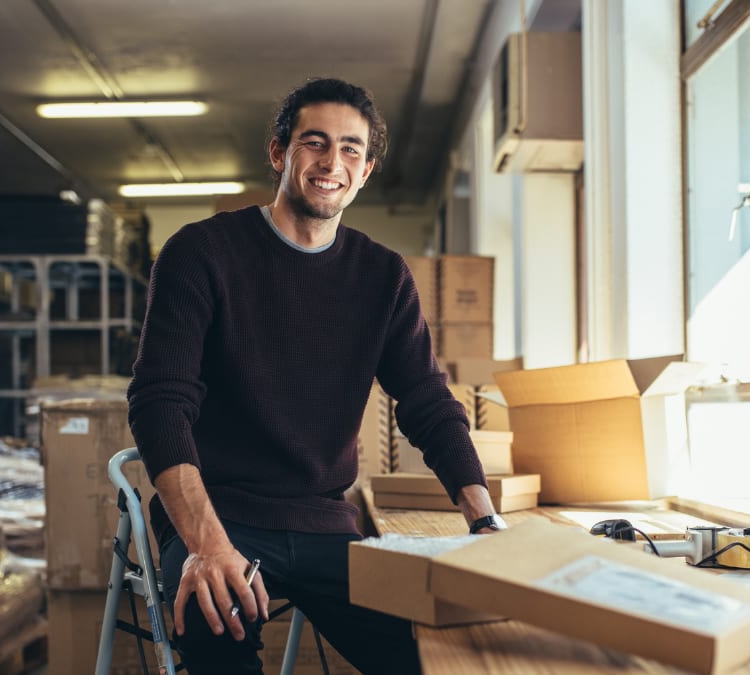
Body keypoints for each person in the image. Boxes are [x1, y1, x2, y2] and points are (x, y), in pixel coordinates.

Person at [127, 76, 505, 675]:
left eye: (351, 148)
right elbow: (159, 402)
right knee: (212, 617)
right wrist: (207, 545)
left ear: (366, 170)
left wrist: (484, 520)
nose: (333, 163)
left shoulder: (383, 277)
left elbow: (428, 401)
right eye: (315, 142)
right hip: (220, 516)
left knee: (435, 650)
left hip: (325, 524)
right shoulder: (201, 253)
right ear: (280, 153)